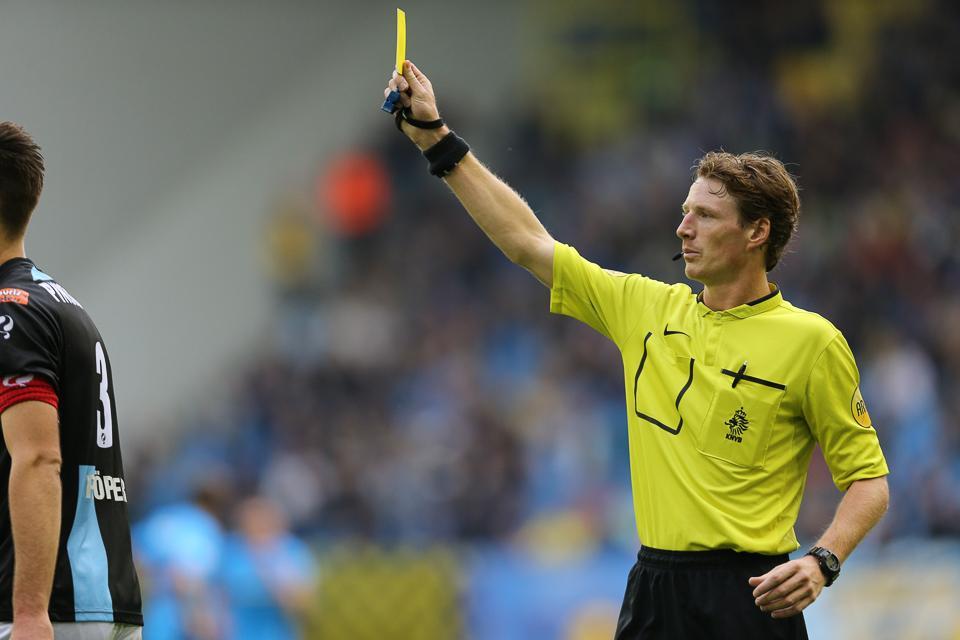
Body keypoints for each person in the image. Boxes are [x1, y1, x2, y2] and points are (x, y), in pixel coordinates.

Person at [383, 63, 890, 639]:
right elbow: (527, 243)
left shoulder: (812, 342)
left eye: (705, 216)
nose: (683, 228)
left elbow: (869, 481)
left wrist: (823, 561)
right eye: (685, 212)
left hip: (752, 594)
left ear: (757, 233)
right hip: (654, 590)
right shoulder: (645, 308)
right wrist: (436, 139)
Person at [0, 122, 142, 639]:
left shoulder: (12, 312)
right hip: (99, 602)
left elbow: (39, 457)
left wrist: (29, 612)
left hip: (47, 612)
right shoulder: (59, 302)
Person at [216, 496, 315, 640]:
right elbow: (213, 592)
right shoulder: (229, 549)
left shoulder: (290, 550)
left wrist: (285, 591)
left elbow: (305, 602)